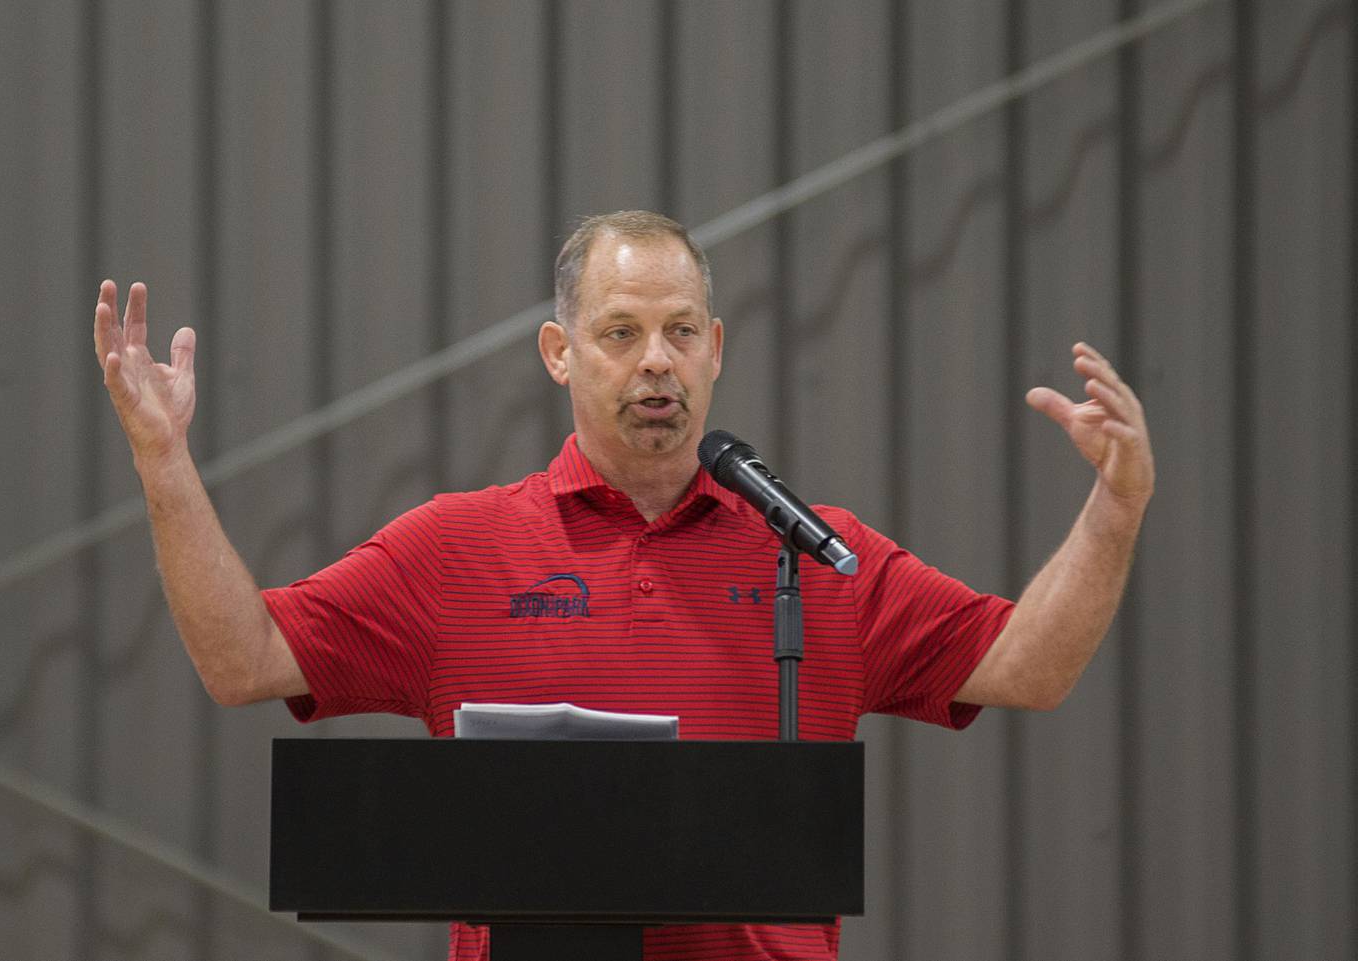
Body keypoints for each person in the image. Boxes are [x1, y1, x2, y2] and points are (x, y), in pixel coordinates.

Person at [94, 210, 1154, 961]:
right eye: (620, 333)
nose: (657, 361)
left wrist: (1113, 508)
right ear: (560, 352)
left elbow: (1030, 666)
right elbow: (244, 660)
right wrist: (164, 462)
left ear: (717, 349)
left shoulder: (818, 553)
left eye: (681, 331)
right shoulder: (456, 549)